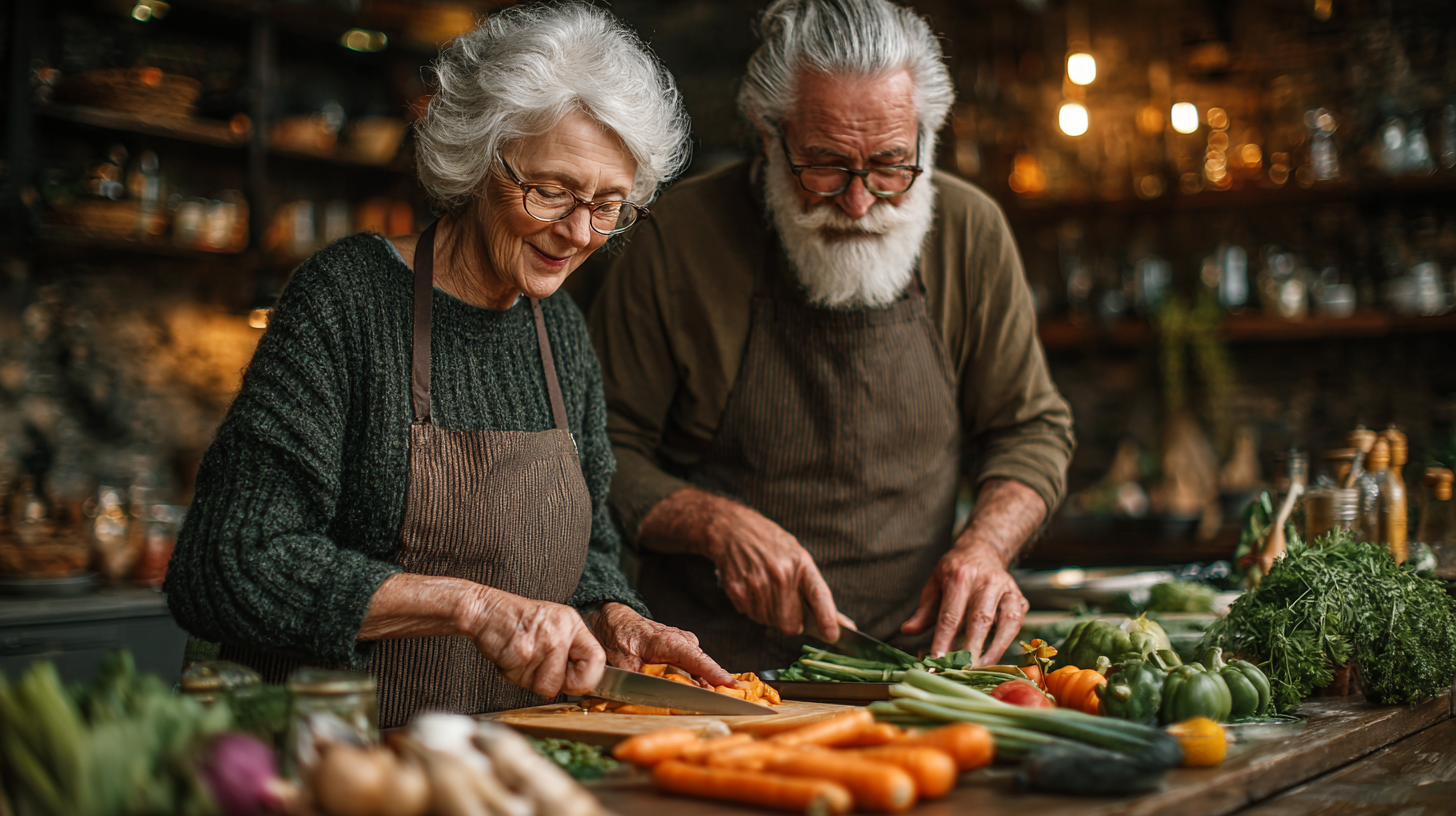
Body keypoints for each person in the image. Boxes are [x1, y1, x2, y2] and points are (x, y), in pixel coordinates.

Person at [164, 2, 733, 728]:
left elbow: (585, 553)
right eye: (552, 190)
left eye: (610, 204)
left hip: (504, 771)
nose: (580, 231)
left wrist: (615, 615)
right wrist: (467, 606)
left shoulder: (559, 331)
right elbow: (228, 565)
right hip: (342, 764)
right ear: (477, 154)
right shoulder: (349, 301)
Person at [589, 0, 1075, 672]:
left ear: (927, 139)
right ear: (768, 133)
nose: (858, 201)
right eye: (824, 165)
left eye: (890, 165)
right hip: (716, 672)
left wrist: (985, 547)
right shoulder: (678, 242)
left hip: (921, 670)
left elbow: (1031, 430)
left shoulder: (972, 233)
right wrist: (712, 522)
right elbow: (598, 449)